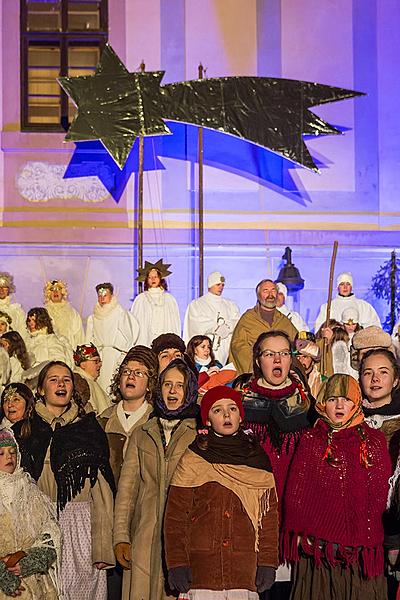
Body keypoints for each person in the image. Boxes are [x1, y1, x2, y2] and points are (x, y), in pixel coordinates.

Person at [282, 374, 391, 600]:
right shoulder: (312, 440)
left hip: (361, 554)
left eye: (346, 399)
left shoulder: (374, 441)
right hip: (319, 552)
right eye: (332, 399)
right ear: (323, 403)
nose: (340, 405)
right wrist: (300, 532)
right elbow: (297, 491)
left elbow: (380, 496)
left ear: (356, 402)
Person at [13, 361, 115, 600]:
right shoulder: (24, 431)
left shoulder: (88, 429)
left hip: (80, 530)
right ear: (40, 390)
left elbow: (102, 493)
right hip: (37, 528)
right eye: (53, 379)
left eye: (66, 380)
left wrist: (102, 548)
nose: (61, 384)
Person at [164, 385, 279, 599]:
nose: (226, 415)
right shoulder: (194, 458)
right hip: (202, 571)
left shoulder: (258, 459)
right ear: (207, 419)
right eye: (217, 410)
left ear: (240, 416)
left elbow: (268, 518)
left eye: (232, 409)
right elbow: (176, 517)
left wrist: (267, 562)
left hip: (244, 570)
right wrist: (177, 562)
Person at [235, 330, 313, 599]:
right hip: (253, 513)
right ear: (258, 360)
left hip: (295, 517)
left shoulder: (306, 405)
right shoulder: (239, 403)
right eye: (270, 354)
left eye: (284, 353)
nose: (277, 359)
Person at [113, 357, 199, 600]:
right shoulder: (143, 432)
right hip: (144, 540)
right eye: (167, 384)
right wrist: (121, 537)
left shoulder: (199, 432)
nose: (173, 391)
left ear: (189, 390)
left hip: (184, 543)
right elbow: (127, 490)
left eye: (180, 385)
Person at [0, 428, 61, 599]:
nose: (9, 457)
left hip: (33, 581)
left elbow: (51, 535)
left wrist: (31, 561)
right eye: (1, 453)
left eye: (12, 452)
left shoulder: (31, 492)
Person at [98, 345, 158, 486]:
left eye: (139, 373)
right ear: (118, 382)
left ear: (150, 384)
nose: (131, 376)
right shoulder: (102, 421)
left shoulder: (156, 423)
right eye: (126, 371)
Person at [229, 279, 298, 375]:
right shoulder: (248, 318)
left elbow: (297, 342)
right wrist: (257, 363)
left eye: (273, 290)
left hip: (281, 374)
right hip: (255, 373)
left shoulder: (283, 320)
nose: (270, 294)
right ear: (258, 295)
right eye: (265, 291)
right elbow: (238, 345)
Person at [86, 282, 140, 393]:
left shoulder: (120, 313)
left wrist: (124, 353)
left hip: (114, 355)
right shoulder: (93, 317)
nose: (102, 298)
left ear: (111, 295)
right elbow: (89, 338)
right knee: (99, 385)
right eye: (99, 296)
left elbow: (128, 335)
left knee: (111, 383)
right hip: (99, 356)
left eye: (105, 295)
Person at [183, 271, 241, 365]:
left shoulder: (230, 305)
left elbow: (237, 320)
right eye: (218, 284)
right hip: (206, 349)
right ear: (210, 285)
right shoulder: (197, 304)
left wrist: (227, 327)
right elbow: (196, 322)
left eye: (222, 285)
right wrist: (215, 327)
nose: (221, 287)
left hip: (225, 347)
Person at [360, 349, 400, 466]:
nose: (375, 378)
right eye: (368, 373)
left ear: (395, 380)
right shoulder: (348, 418)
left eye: (383, 372)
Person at [130, 260, 181, 347]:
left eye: (155, 277)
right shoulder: (141, 299)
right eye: (150, 277)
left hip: (164, 339)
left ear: (160, 278)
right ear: (146, 279)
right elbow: (135, 322)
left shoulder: (169, 299)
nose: (153, 279)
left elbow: (174, 323)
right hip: (146, 339)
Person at [315, 271, 381, 332]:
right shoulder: (328, 307)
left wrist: (360, 330)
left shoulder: (363, 306)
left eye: (348, 284)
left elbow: (375, 326)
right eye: (342, 284)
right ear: (337, 287)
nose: (345, 287)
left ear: (351, 287)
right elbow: (319, 328)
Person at [44, 279, 84, 350]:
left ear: (62, 292)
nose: (55, 292)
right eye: (52, 289)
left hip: (69, 351)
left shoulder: (73, 313)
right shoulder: (44, 313)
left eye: (58, 289)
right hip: (50, 352)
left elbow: (79, 336)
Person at [73, 343, 111, 415]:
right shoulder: (79, 381)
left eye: (100, 361)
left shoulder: (90, 380)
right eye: (96, 361)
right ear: (83, 365)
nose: (100, 364)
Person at [293, 331, 326, 398]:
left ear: (313, 361)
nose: (300, 360)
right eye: (298, 357)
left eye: (305, 357)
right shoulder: (288, 379)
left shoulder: (323, 382)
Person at [0, 273, 27, 341]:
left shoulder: (17, 310)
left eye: (4, 287)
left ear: (9, 289)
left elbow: (23, 332)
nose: (1, 290)